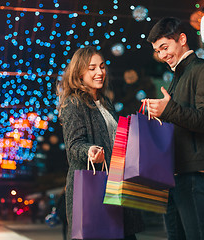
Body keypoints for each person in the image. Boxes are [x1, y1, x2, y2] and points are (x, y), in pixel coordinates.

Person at [145, 17, 204, 240]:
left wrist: (168, 110)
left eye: (165, 47)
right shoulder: (178, 78)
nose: (162, 55)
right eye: (157, 50)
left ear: (182, 39)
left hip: (195, 173)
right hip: (175, 173)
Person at [57, 46, 144, 240]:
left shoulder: (105, 102)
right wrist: (89, 151)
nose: (100, 72)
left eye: (102, 66)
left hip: (117, 184)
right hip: (97, 186)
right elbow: (73, 146)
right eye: (92, 68)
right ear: (79, 73)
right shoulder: (74, 103)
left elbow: (113, 138)